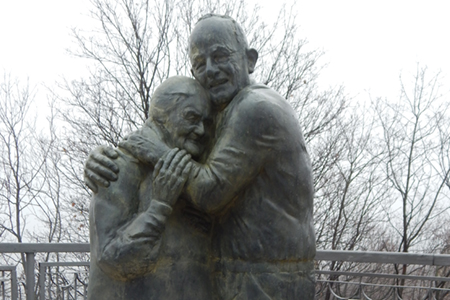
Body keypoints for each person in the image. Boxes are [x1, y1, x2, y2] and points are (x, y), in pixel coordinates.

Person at [86, 14, 316, 300]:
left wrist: (156, 152)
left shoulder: (254, 107)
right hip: (237, 277)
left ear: (250, 60)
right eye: (199, 63)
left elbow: (209, 191)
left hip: (264, 280)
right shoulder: (221, 113)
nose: (210, 70)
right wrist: (104, 158)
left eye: (220, 56)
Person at [87, 76, 215, 300]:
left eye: (206, 122)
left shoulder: (199, 171)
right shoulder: (119, 166)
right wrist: (159, 207)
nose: (201, 130)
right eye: (191, 117)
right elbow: (111, 258)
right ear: (162, 116)